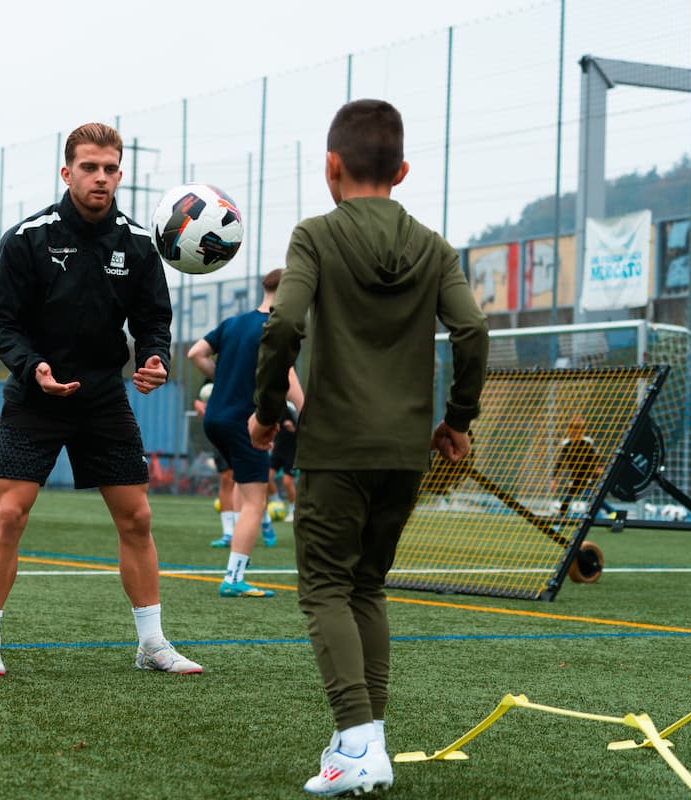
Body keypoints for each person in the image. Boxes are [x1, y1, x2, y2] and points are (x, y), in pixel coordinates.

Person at [249, 99, 489, 796]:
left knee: (325, 587)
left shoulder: (315, 236)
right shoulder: (434, 246)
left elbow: (284, 321)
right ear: (403, 170)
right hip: (406, 449)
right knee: (367, 587)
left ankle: (354, 741)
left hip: (335, 443)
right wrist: (458, 417)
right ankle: (367, 741)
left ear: (331, 166)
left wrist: (266, 413)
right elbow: (472, 331)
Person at [0, 122, 202, 677]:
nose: (101, 178)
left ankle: (151, 644)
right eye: (90, 167)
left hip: (102, 397)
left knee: (138, 519)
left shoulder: (139, 245)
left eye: (110, 168)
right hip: (36, 394)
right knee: (9, 514)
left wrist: (153, 360)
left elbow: (153, 320)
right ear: (67, 171)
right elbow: (0, 323)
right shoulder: (28, 238)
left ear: (121, 173)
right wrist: (34, 368)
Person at [188, 268, 304, 598]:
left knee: (242, 484)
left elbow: (195, 353)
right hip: (242, 422)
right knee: (257, 499)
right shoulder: (277, 328)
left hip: (215, 419)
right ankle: (234, 577)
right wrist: (305, 410)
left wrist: (220, 377)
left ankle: (243, 544)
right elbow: (288, 376)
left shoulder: (234, 322)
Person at [194, 381, 239, 547]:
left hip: (245, 422)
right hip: (222, 426)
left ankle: (264, 521)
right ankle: (229, 533)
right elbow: (201, 393)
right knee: (227, 479)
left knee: (249, 481)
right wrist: (198, 402)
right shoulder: (218, 364)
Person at [551, 416, 614, 516]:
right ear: (569, 430)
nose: (576, 434)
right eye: (574, 431)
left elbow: (598, 457)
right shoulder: (566, 444)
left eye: (579, 431)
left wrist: (600, 467)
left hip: (589, 475)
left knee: (589, 497)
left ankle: (612, 513)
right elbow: (560, 462)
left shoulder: (587, 442)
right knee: (567, 499)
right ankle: (560, 520)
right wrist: (554, 479)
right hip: (576, 477)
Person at [270, 400, 300, 521]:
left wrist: (293, 428)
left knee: (287, 482)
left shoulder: (293, 410)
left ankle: (294, 510)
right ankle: (277, 502)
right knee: (265, 478)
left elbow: (303, 430)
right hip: (277, 450)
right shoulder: (276, 410)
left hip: (291, 452)